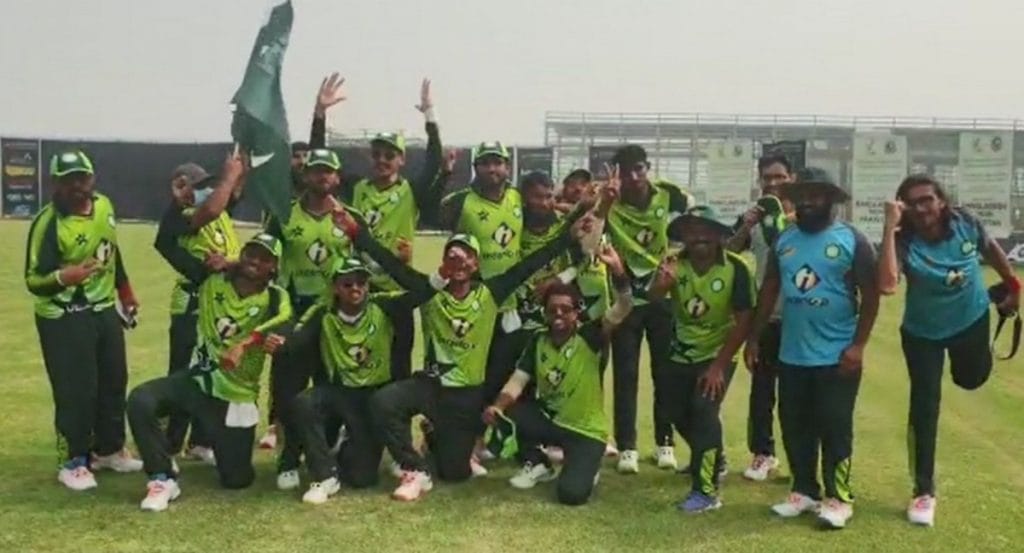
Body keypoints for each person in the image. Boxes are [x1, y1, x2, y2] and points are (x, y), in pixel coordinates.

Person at [333, 208, 588, 501]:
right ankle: (415, 469)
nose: (460, 261)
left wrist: (568, 236)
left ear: (476, 263)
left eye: (467, 255)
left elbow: (529, 265)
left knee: (455, 473)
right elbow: (393, 267)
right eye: (452, 255)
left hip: (465, 395)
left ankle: (434, 436)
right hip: (430, 386)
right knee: (384, 402)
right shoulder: (430, 290)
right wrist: (359, 235)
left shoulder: (491, 292)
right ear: (444, 262)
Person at [878, 175, 1021, 527]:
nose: (921, 208)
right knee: (925, 406)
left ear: (941, 200)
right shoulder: (902, 240)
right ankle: (923, 491)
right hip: (922, 332)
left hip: (970, 320)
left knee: (970, 380)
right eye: (911, 202)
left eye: (927, 199)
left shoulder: (965, 221)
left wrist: (1014, 286)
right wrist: (888, 228)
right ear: (902, 207)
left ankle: (990, 299)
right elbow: (886, 285)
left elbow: (991, 250)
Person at [744, 167, 880, 530]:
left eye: (815, 195)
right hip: (792, 352)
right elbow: (770, 290)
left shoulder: (852, 238)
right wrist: (755, 337)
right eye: (801, 195)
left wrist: (859, 345)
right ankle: (804, 490)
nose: (806, 201)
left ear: (831, 199)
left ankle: (839, 498)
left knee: (834, 427)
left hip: (837, 354)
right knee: (794, 424)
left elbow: (871, 296)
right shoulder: (785, 241)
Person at [127, 233, 292, 512]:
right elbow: (167, 245)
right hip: (198, 381)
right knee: (141, 399)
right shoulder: (209, 279)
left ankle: (218, 443)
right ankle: (162, 477)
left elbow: (286, 321)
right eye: (250, 253)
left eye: (264, 258)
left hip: (235, 396)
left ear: (273, 268)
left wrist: (248, 342)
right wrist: (179, 207)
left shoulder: (276, 297)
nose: (255, 261)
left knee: (236, 480)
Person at [309, 74, 446, 382]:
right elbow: (321, 163)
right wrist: (320, 114)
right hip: (357, 288)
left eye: (390, 155)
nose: (382, 160)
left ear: (401, 159)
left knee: (398, 363)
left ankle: (392, 425)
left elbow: (435, 160)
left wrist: (430, 115)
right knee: (351, 360)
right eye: (378, 154)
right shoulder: (357, 188)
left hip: (395, 288)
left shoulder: (411, 191)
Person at [24, 150, 143, 491]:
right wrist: (65, 277)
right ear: (55, 184)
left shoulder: (104, 206)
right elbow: (33, 280)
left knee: (113, 379)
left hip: (103, 308)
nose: (77, 186)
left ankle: (108, 449)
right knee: (77, 388)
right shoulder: (48, 223)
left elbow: (111, 251)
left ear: (92, 179)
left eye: (82, 178)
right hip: (62, 315)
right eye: (68, 180)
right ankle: (73, 460)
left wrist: (125, 290)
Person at [278, 257, 435, 504]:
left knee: (361, 478)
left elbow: (421, 293)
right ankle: (324, 476)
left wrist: (441, 276)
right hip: (339, 392)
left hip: (374, 396)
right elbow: (297, 337)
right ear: (335, 288)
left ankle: (352, 446)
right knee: (304, 402)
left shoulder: (383, 305)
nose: (355, 289)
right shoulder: (323, 312)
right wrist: (280, 342)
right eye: (347, 284)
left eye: (361, 282)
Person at [482, 244, 631, 506]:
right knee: (513, 410)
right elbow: (517, 382)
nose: (559, 314)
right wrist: (497, 407)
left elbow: (623, 305)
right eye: (552, 310)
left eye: (566, 309)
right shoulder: (538, 341)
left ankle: (586, 463)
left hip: (586, 432)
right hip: (552, 422)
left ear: (577, 313)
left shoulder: (591, 337)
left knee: (571, 495)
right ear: (545, 314)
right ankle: (539, 464)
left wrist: (618, 271)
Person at [263, 149, 360, 488]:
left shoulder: (349, 216)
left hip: (334, 315)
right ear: (306, 176)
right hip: (297, 312)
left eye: (328, 172)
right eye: (316, 171)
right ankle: (289, 458)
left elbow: (364, 265)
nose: (322, 177)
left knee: (329, 386)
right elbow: (265, 258)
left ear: (337, 177)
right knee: (289, 387)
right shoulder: (284, 214)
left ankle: (323, 450)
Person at [650, 205, 755, 513]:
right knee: (672, 410)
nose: (698, 237)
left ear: (719, 235)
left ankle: (706, 491)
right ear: (683, 236)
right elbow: (654, 297)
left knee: (703, 409)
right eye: (691, 231)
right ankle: (711, 456)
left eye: (705, 230)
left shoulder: (735, 268)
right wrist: (662, 285)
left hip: (717, 352)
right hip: (680, 352)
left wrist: (719, 366)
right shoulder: (673, 264)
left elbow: (744, 319)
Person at [595, 144, 692, 473]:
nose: (634, 177)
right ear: (617, 175)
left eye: (639, 168)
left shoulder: (668, 195)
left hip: (662, 296)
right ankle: (628, 447)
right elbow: (588, 234)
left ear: (648, 167)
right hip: (626, 298)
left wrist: (677, 261)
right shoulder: (609, 201)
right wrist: (605, 201)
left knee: (664, 373)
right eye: (626, 171)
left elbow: (695, 221)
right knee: (626, 374)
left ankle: (665, 443)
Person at [153, 154, 246, 465]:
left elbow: (231, 194)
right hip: (191, 304)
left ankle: (201, 441)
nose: (207, 190)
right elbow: (213, 207)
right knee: (184, 373)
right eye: (199, 185)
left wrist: (242, 159)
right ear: (179, 187)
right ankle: (169, 443)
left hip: (219, 303)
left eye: (208, 185)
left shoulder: (216, 209)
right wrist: (228, 176)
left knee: (213, 371)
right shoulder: (179, 215)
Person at [438, 142, 528, 408]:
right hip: (473, 303)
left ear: (507, 166)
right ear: (476, 167)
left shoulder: (518, 197)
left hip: (510, 302)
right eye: (485, 163)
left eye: (497, 162)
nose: (492, 169)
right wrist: (444, 173)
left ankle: (496, 434)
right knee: (469, 371)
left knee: (505, 371)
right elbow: (429, 211)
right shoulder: (460, 201)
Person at [726, 153, 795, 482]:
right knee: (762, 389)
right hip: (766, 315)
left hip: (801, 318)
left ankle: (800, 455)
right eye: (767, 177)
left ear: (791, 178)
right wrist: (746, 225)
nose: (773, 183)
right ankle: (762, 454)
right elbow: (727, 252)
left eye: (779, 177)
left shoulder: (804, 218)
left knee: (798, 393)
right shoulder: (754, 217)